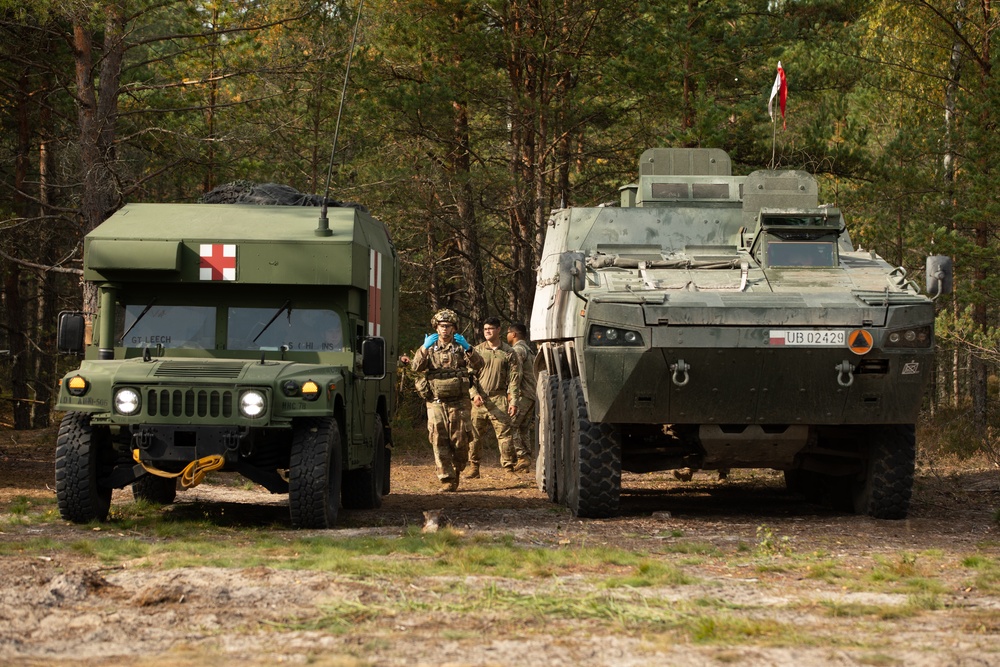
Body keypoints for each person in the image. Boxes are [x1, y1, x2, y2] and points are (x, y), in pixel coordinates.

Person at [410, 309, 484, 492]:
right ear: (436, 327)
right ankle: (447, 479)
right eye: (441, 326)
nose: (444, 330)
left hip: (459, 401)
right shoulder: (430, 347)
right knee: (438, 439)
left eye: (448, 326)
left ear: (454, 328)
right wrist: (423, 348)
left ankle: (458, 468)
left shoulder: (460, 347)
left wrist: (468, 348)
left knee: (459, 440)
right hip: (436, 401)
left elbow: (480, 365)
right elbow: (415, 367)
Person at [468, 317, 522, 476]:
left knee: (505, 436)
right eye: (485, 329)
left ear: (499, 330)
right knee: (474, 436)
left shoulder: (509, 352)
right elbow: (470, 376)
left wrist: (514, 401)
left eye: (491, 329)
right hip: (480, 400)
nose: (487, 332)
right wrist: (474, 395)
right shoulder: (476, 351)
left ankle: (508, 468)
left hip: (499, 399)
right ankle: (474, 467)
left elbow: (514, 378)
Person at [506, 322, 536, 466]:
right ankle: (526, 458)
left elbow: (515, 374)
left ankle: (522, 456)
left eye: (508, 332)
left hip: (522, 394)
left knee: (510, 425)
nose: (506, 336)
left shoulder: (517, 350)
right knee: (523, 427)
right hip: (531, 394)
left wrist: (512, 395)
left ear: (514, 334)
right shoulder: (528, 349)